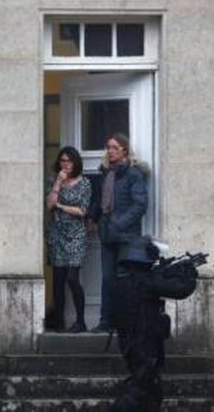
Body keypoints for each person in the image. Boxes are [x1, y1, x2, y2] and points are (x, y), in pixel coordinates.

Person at [111, 235, 200, 411]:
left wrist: (168, 270)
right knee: (140, 386)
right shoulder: (145, 282)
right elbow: (181, 289)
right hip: (143, 342)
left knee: (151, 388)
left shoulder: (125, 281)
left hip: (133, 341)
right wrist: (188, 272)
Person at [90, 132, 148, 332]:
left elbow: (140, 205)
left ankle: (124, 323)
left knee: (124, 280)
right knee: (107, 280)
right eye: (108, 147)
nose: (110, 151)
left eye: (115, 147)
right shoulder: (106, 172)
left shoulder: (133, 174)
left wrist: (119, 224)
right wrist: (93, 217)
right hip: (107, 234)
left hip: (126, 236)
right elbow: (99, 200)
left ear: (125, 150)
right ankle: (105, 322)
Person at [45, 146, 92, 333]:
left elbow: (82, 211)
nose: (66, 164)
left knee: (72, 278)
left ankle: (80, 321)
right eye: (63, 160)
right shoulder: (53, 181)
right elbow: (49, 205)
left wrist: (61, 206)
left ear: (76, 162)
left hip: (76, 235)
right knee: (58, 280)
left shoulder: (85, 183)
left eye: (69, 161)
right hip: (57, 234)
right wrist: (58, 182)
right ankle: (59, 322)